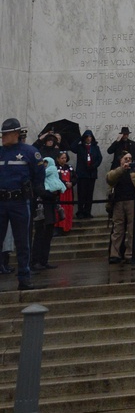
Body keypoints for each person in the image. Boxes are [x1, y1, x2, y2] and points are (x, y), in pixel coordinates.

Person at [0, 120, 45, 288]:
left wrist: (34, 191)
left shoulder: (29, 152)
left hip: (19, 202)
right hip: (1, 202)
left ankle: (24, 277)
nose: (3, 137)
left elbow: (39, 175)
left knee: (22, 241)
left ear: (16, 134)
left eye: (6, 134)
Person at [107, 152, 135, 262]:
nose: (128, 160)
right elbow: (109, 179)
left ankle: (130, 254)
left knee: (132, 230)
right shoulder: (116, 171)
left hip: (132, 202)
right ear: (120, 160)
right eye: (126, 158)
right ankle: (115, 255)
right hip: (118, 202)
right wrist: (122, 169)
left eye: (130, 158)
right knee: (118, 229)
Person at [30, 151, 64, 271]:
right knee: (39, 236)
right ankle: (35, 261)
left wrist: (56, 193)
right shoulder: (39, 177)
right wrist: (50, 194)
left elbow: (59, 186)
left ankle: (44, 260)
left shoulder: (54, 175)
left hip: (50, 209)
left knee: (48, 236)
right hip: (42, 209)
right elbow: (39, 190)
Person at [75, 129, 102, 220]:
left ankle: (87, 211)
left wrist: (94, 166)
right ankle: (80, 211)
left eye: (90, 137)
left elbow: (99, 158)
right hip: (82, 174)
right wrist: (79, 138)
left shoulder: (95, 147)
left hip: (91, 173)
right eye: (86, 137)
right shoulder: (80, 147)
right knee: (81, 193)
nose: (88, 139)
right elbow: (72, 147)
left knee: (89, 194)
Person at [55, 151, 74, 233]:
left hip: (69, 192)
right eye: (62, 158)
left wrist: (72, 183)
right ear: (58, 159)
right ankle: (59, 227)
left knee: (68, 208)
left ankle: (67, 227)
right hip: (60, 192)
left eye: (65, 158)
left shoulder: (70, 167)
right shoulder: (55, 168)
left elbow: (75, 177)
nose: (64, 160)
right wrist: (65, 183)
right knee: (60, 208)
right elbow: (55, 178)